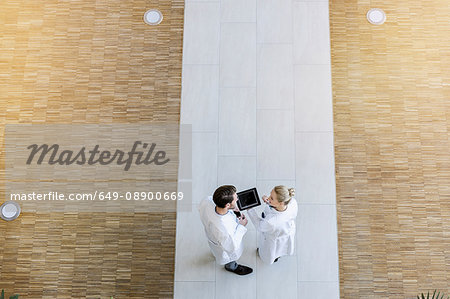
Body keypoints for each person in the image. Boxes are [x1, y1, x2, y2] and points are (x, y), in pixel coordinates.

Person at [198, 185, 253, 275]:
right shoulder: (223, 228)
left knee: (215, 251)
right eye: (235, 199)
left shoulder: (207, 201)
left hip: (212, 236)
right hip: (224, 246)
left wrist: (231, 210)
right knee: (229, 258)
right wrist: (241, 226)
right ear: (227, 205)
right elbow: (232, 247)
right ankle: (232, 267)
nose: (238, 200)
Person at [247, 186, 298, 264]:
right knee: (282, 248)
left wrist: (249, 209)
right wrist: (269, 202)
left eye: (272, 198)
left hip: (273, 236)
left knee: (271, 250)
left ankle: (272, 257)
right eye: (270, 195)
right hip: (287, 230)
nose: (268, 198)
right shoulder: (292, 202)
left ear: (281, 203)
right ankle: (277, 256)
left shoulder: (271, 222)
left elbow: (259, 226)